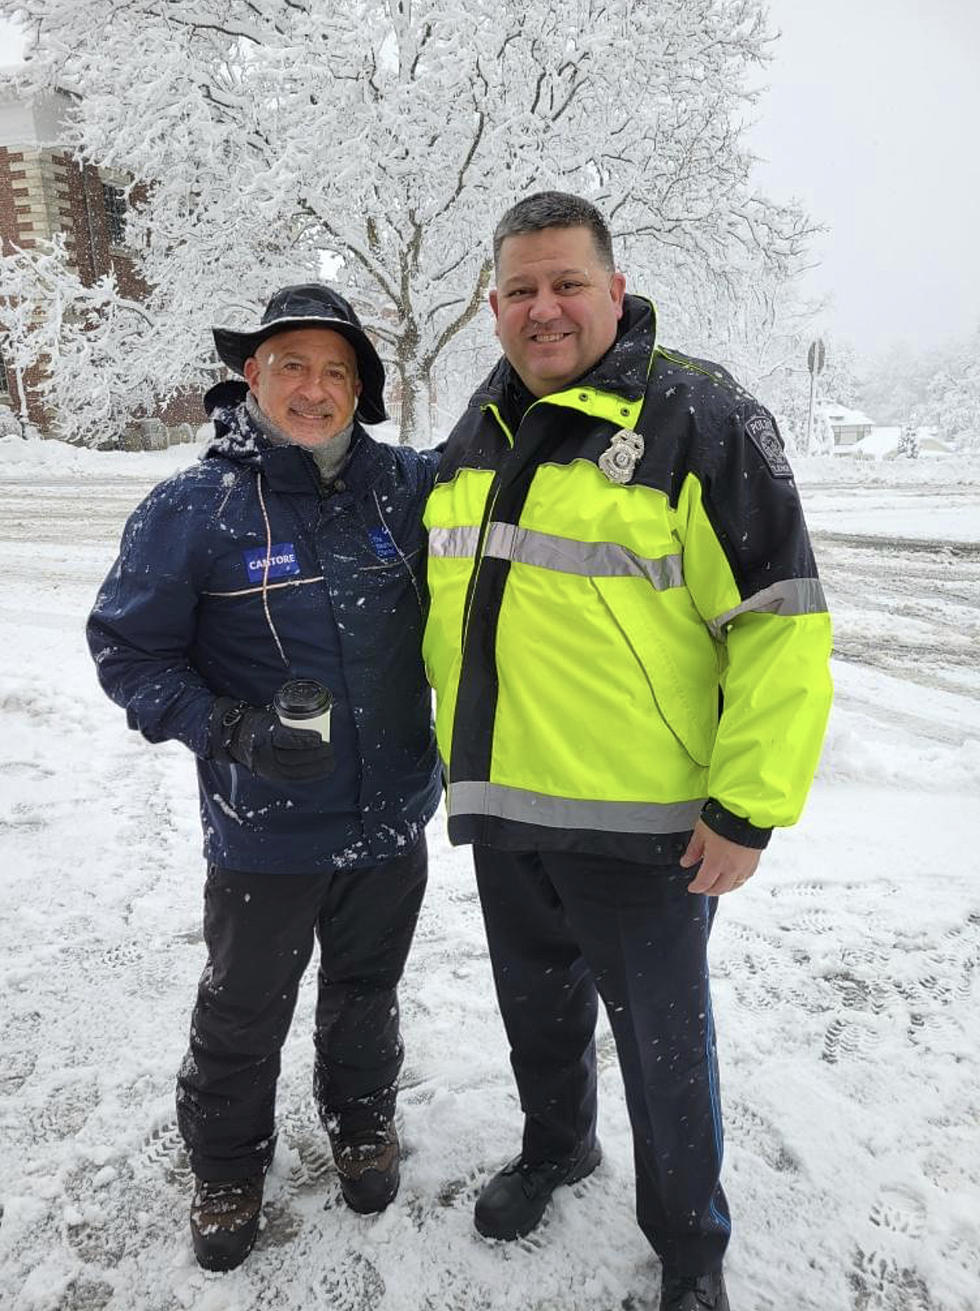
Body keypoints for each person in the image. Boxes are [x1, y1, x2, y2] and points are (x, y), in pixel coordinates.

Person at [422, 193, 832, 1311]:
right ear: (492, 304)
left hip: (646, 826)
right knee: (537, 1008)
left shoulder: (697, 415)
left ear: (614, 289)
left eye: (564, 284)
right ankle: (557, 1146)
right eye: (519, 289)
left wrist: (745, 804)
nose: (541, 308)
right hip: (508, 806)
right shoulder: (482, 425)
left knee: (662, 1050)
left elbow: (779, 621)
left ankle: (688, 1246)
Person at [87, 284, 441, 1272]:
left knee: (366, 991)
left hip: (390, 813)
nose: (314, 389)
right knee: (244, 1011)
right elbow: (128, 652)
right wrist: (233, 729)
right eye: (292, 364)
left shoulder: (402, 489)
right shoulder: (191, 510)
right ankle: (228, 1164)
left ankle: (360, 1119)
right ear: (253, 375)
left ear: (361, 389)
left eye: (337, 371)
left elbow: (509, 450)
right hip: (267, 828)